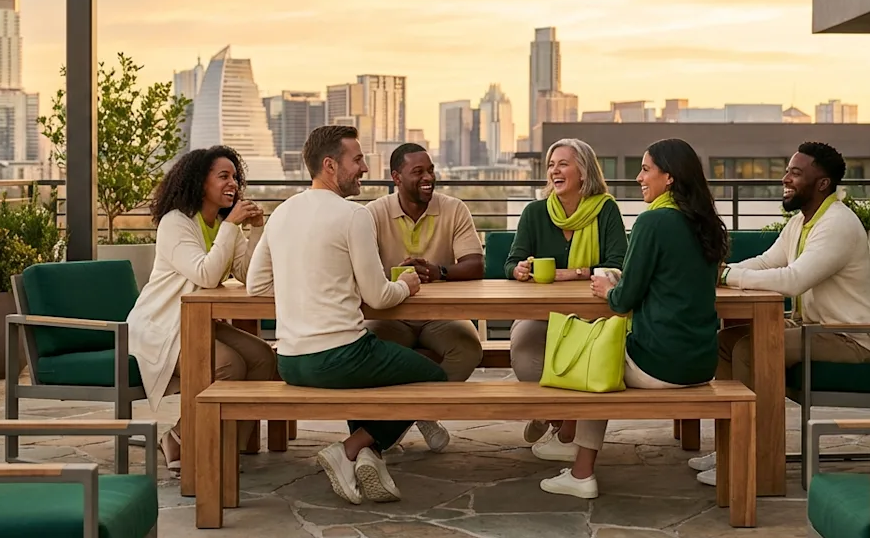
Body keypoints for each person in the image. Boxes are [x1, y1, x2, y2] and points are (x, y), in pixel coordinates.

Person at [246, 126, 447, 506]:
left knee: (376, 378)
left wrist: (303, 286)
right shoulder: (353, 215)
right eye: (356, 159)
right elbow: (378, 295)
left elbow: (256, 286)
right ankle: (351, 448)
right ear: (328, 165)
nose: (364, 167)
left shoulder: (282, 212)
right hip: (341, 357)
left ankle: (371, 454)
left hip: (289, 360)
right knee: (434, 377)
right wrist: (407, 285)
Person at [539, 139, 728, 499]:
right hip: (703, 362)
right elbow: (670, 279)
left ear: (669, 177)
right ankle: (572, 452)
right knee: (604, 353)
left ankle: (579, 469)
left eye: (645, 169)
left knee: (594, 357)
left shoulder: (653, 220)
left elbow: (623, 302)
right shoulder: (704, 222)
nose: (639, 177)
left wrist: (607, 290)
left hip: (659, 363)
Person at [689, 141, 870, 486]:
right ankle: (731, 445)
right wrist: (724, 271)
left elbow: (793, 280)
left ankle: (755, 456)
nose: (786, 178)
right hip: (817, 330)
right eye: (788, 170)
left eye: (796, 172)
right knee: (725, 341)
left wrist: (727, 276)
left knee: (754, 349)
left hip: (853, 338)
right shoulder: (802, 222)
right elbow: (767, 261)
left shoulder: (837, 224)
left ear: (822, 183)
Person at [127, 146, 277, 477]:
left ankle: (225, 448)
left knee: (263, 357)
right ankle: (183, 438)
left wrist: (255, 229)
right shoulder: (175, 223)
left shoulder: (225, 225)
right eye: (223, 176)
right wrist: (232, 226)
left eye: (235, 177)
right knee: (227, 365)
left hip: (197, 323)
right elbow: (206, 274)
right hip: (162, 326)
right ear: (200, 182)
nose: (233, 184)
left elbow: (248, 276)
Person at [505, 138, 627, 452]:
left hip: (593, 316)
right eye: (551, 165)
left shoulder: (606, 210)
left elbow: (618, 265)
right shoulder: (534, 212)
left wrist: (575, 273)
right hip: (541, 314)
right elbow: (509, 262)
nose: (554, 171)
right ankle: (555, 418)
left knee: (588, 360)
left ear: (583, 172)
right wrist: (517, 270)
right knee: (525, 356)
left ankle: (561, 427)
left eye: (563, 164)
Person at [364, 143, 485, 452]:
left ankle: (409, 417)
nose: (428, 177)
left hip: (441, 315)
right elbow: (360, 272)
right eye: (418, 172)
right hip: (390, 314)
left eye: (430, 170)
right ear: (396, 177)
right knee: (369, 353)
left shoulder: (454, 208)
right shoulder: (372, 214)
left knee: (469, 349)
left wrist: (438, 271)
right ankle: (422, 416)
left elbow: (476, 264)